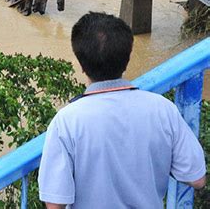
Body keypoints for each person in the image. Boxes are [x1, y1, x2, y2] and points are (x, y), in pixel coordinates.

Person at [38, 12, 206, 209]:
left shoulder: (67, 121)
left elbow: (55, 203)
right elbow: (197, 178)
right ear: (127, 58)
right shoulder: (163, 109)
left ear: (82, 65)